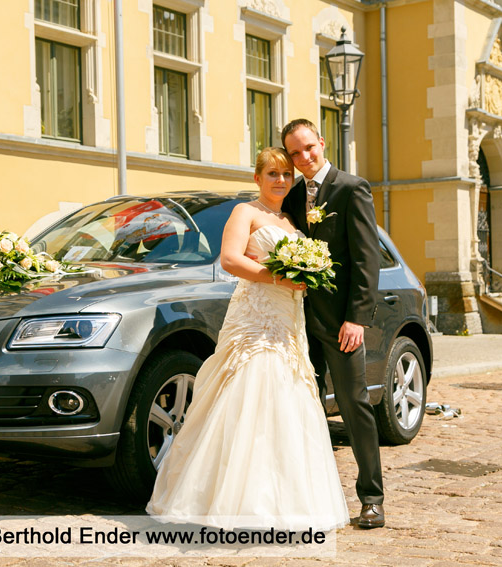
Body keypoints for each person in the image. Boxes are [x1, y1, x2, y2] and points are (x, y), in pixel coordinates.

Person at [145, 147, 349, 532]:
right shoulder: (246, 212)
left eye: (286, 174)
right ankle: (228, 502)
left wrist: (309, 276)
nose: (280, 181)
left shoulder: (292, 220)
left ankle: (284, 503)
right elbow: (230, 260)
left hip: (289, 322)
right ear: (257, 178)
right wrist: (281, 279)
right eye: (272, 174)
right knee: (247, 395)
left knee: (288, 401)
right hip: (256, 318)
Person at [280, 118, 384, 529]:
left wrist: (357, 319)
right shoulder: (291, 197)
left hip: (340, 324)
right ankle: (308, 498)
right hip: (298, 323)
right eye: (294, 152)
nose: (304, 157)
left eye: (308, 147)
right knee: (302, 408)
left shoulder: (351, 187)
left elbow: (366, 259)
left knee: (354, 406)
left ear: (321, 143)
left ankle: (372, 498)